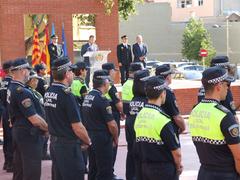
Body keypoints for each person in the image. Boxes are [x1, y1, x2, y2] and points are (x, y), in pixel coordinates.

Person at [189, 66, 240, 180]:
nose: (228, 88)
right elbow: (238, 157)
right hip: (225, 174)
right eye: (227, 85)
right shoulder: (225, 115)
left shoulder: (195, 111)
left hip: (204, 173)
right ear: (219, 86)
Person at [44, 57, 91, 180]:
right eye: (71, 71)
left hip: (55, 143)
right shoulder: (66, 95)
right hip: (68, 146)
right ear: (66, 74)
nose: (72, 74)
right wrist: (88, 141)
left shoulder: (49, 91)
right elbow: (77, 127)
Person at [134, 76, 183, 180]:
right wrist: (178, 167)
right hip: (163, 169)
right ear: (162, 94)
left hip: (144, 167)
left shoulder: (140, 114)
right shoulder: (163, 119)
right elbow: (176, 152)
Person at [7, 58, 48, 180]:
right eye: (28, 70)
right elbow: (34, 118)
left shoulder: (13, 87)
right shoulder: (21, 91)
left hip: (20, 132)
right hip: (28, 134)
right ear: (23, 71)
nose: (29, 74)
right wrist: (48, 129)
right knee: (32, 171)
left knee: (20, 169)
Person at [82, 70, 119, 180]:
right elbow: (112, 124)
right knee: (105, 169)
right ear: (105, 83)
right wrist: (116, 138)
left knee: (93, 167)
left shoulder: (88, 96)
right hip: (101, 137)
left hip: (90, 134)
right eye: (108, 81)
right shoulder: (102, 99)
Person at [198, 56, 238, 122]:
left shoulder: (206, 85)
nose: (228, 71)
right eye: (227, 68)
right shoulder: (222, 87)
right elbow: (232, 116)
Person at [125, 69, 149, 180]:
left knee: (131, 157)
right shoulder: (146, 102)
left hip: (131, 135)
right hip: (141, 138)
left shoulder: (133, 100)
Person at [102, 62, 124, 180]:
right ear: (109, 71)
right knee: (113, 144)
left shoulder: (100, 84)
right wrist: (122, 112)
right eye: (113, 70)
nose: (115, 72)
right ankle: (110, 173)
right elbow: (118, 104)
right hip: (112, 117)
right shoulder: (110, 86)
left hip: (104, 117)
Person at [155, 64, 186, 138]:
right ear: (167, 77)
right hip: (169, 128)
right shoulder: (167, 92)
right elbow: (176, 116)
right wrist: (183, 128)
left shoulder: (153, 88)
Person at [26, 70, 50, 160]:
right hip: (36, 122)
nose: (37, 82)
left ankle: (42, 153)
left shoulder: (35, 92)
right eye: (36, 80)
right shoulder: (31, 92)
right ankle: (41, 153)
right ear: (31, 81)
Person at [71, 61, 89, 173]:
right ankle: (83, 165)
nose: (86, 71)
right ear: (81, 71)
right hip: (81, 114)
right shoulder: (82, 83)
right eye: (85, 69)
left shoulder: (72, 82)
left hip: (73, 113)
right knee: (83, 140)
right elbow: (85, 100)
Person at [0, 60, 13, 172]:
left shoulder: (3, 82)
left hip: (4, 111)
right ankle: (10, 163)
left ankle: (7, 162)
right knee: (11, 138)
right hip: (9, 112)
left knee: (7, 138)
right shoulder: (11, 83)